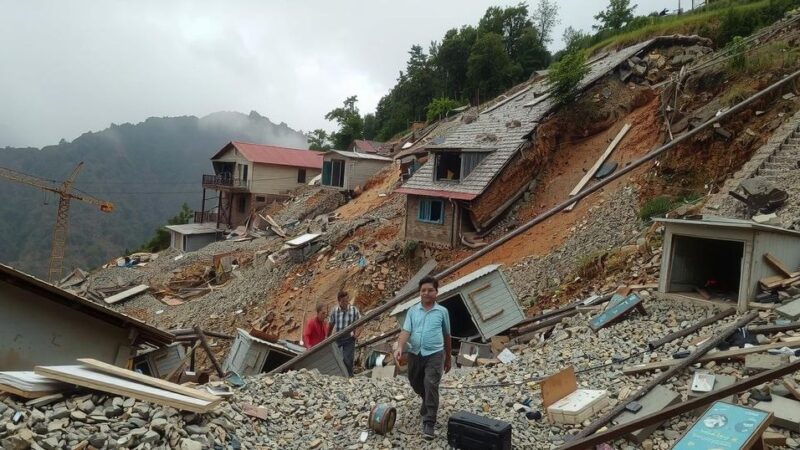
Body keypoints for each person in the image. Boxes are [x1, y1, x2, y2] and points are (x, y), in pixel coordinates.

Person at [393, 276, 452, 440]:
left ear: (436, 292)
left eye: (430, 290)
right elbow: (406, 331)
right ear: (420, 292)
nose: (426, 293)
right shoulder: (412, 311)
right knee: (414, 381)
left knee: (430, 383)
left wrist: (448, 357)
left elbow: (447, 335)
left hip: (435, 353)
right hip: (415, 353)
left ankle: (429, 422)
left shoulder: (442, 312)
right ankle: (427, 400)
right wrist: (400, 347)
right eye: (423, 290)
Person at [327, 291, 361, 376]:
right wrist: (327, 337)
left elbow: (360, 323)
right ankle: (337, 375)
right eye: (344, 301)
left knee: (347, 359)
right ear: (339, 301)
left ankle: (349, 376)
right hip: (338, 338)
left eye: (347, 300)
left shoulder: (354, 310)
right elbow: (331, 325)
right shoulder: (334, 311)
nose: (346, 303)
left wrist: (356, 335)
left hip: (349, 338)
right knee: (335, 357)